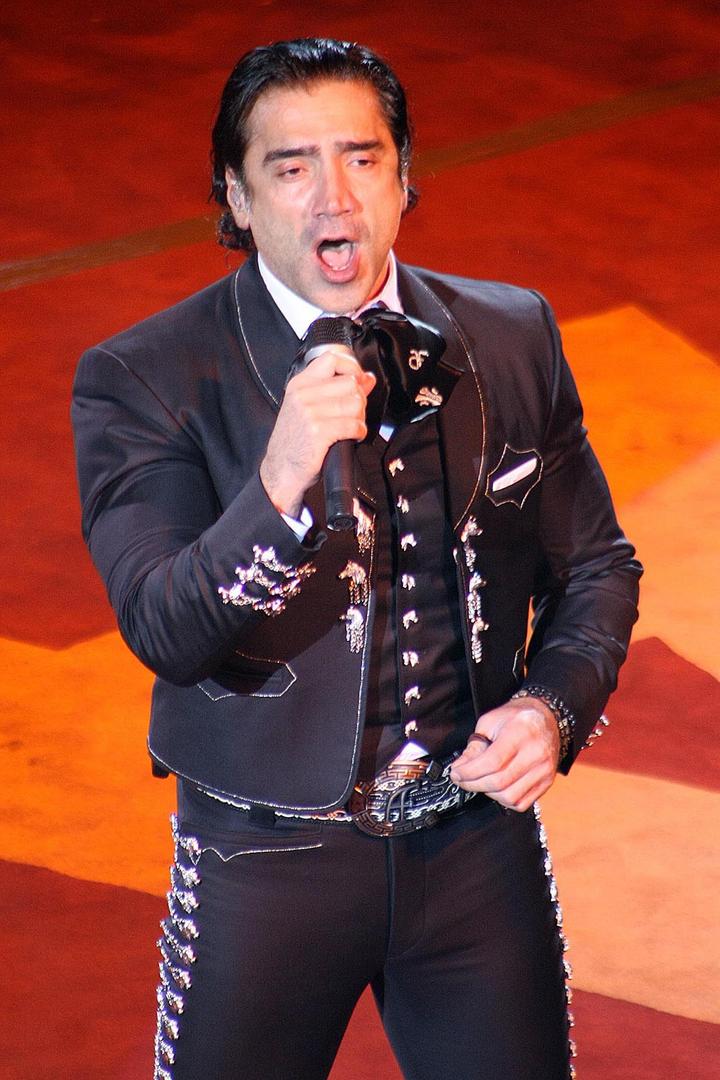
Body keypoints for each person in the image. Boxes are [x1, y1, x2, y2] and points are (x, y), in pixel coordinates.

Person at [72, 37, 642, 1080]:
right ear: (237, 197)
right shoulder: (143, 376)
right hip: (265, 866)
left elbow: (599, 565)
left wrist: (551, 708)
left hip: (476, 852)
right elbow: (165, 630)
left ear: (404, 175)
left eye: (361, 157)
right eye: (290, 167)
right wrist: (278, 481)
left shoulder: (512, 334)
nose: (333, 197)